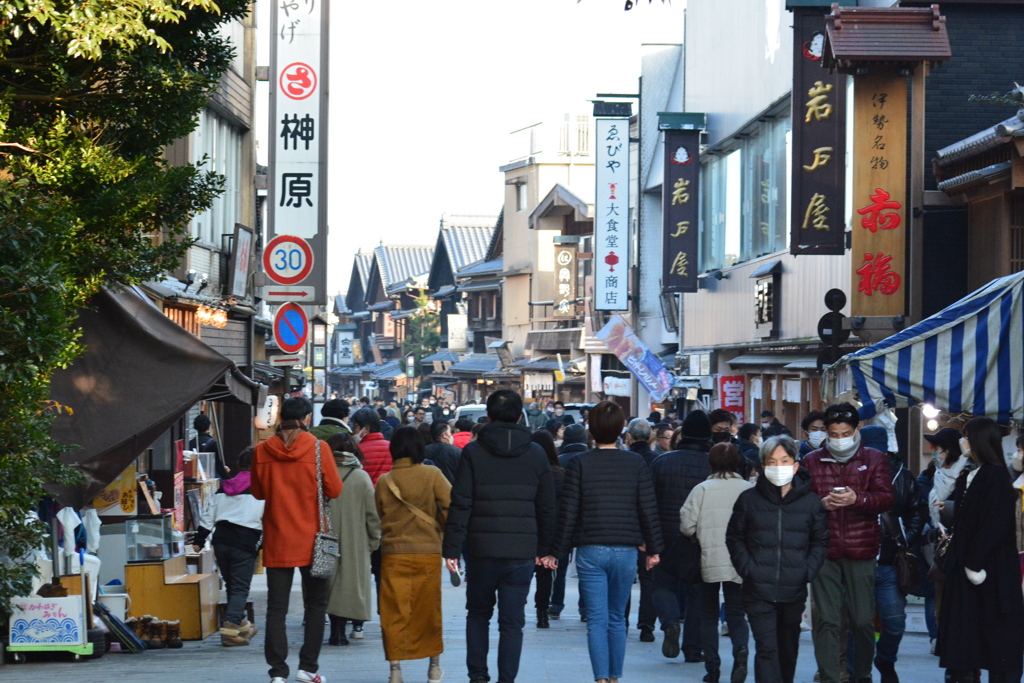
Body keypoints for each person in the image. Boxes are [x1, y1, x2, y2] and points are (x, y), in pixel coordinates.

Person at [543, 400, 663, 683]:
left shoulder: (581, 463)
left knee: (596, 620)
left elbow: (569, 511)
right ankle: (615, 677)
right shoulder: (635, 463)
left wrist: (555, 552)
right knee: (616, 618)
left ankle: (600, 678)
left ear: (591, 430)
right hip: (626, 550)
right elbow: (648, 508)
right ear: (623, 430)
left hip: (590, 549)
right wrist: (654, 549)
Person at [442, 390, 556, 683]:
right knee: (512, 622)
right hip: (521, 551)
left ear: (488, 417)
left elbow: (461, 502)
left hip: (481, 550)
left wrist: (451, 549)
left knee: (478, 615)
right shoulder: (536, 453)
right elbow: (546, 506)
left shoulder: (474, 452)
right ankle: (507, 679)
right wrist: (545, 548)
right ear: (521, 417)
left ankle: (478, 676)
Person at [251, 397, 343, 683]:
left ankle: (278, 672)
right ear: (306, 419)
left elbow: (258, 492)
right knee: (315, 604)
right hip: (313, 538)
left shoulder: (262, 450)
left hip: (278, 537)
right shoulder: (318, 448)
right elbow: (335, 489)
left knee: (276, 607)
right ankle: (308, 668)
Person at [802, 403, 893, 683]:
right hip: (824, 550)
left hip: (862, 549)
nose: (839, 438)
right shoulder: (812, 461)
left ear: (856, 431)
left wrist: (859, 499)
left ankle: (862, 673)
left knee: (863, 620)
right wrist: (822, 505)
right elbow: (800, 504)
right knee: (827, 620)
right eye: (833, 433)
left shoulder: (875, 458)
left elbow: (886, 498)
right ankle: (830, 675)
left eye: (845, 432)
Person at [727, 435, 829, 683]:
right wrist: (747, 568)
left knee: (787, 649)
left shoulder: (811, 502)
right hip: (757, 588)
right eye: (772, 461)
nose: (779, 466)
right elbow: (734, 537)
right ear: (764, 467)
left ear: (795, 466)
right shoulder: (748, 500)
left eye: (785, 460)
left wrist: (807, 571)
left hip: (793, 589)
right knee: (767, 649)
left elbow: (820, 541)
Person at [937, 417, 1024, 682]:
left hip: (991, 571)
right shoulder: (971, 472)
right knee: (968, 643)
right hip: (971, 569)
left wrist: (973, 563)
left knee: (997, 643)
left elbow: (994, 525)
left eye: (966, 435)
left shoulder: (995, 475)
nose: (962, 441)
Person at [846, 426, 927, 683]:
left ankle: (885, 660)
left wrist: (906, 538)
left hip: (890, 563)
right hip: (857, 560)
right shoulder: (847, 472)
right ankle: (857, 672)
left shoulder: (902, 476)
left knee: (895, 622)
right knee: (857, 624)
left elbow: (917, 510)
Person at [375, 426, 452, 683]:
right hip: (427, 552)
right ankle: (433, 668)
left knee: (394, 611)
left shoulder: (385, 481)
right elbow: (451, 505)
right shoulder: (432, 474)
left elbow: (380, 516)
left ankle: (395, 671)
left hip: (393, 554)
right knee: (428, 610)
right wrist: (440, 527)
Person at [680, 443, 753, 683]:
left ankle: (712, 668)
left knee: (708, 614)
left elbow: (686, 525)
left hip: (708, 557)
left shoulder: (702, 489)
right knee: (736, 612)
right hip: (739, 559)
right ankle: (741, 648)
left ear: (710, 463)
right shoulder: (749, 489)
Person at [650, 410, 713, 663]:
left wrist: (648, 535)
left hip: (665, 534)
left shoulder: (662, 462)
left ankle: (669, 622)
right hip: (701, 536)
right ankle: (693, 648)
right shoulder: (714, 464)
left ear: (682, 434)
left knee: (662, 583)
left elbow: (649, 502)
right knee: (698, 591)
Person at [193, 446, 264, 647]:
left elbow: (208, 516)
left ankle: (242, 624)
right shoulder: (262, 488)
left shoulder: (224, 487)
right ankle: (230, 628)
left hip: (221, 541)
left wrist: (199, 540)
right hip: (245, 541)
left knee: (232, 583)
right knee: (241, 586)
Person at [324, 432, 381, 647]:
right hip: (355, 541)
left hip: (324, 538)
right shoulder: (361, 477)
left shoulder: (320, 474)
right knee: (348, 585)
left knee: (328, 583)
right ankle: (341, 631)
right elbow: (372, 515)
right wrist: (372, 542)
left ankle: (334, 629)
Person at [623, 417, 658, 641]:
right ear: (650, 437)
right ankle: (647, 626)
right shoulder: (658, 460)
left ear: (628, 437)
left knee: (623, 578)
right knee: (649, 580)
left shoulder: (624, 461)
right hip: (651, 527)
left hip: (626, 528)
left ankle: (621, 622)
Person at [529, 430, 565, 629]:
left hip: (529, 529)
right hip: (551, 530)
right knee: (545, 574)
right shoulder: (560, 474)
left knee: (524, 573)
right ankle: (542, 613)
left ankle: (518, 607)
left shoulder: (527, 472)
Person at [351, 407, 392, 486]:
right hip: (388, 495)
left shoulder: (357, 450)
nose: (353, 432)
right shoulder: (392, 447)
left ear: (366, 429)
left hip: (366, 495)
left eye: (355, 427)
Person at [190, 413, 229, 479]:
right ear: (208, 427)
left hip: (195, 477)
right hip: (210, 477)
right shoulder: (213, 443)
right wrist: (228, 478)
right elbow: (218, 465)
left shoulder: (190, 443)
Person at [426, 420, 462, 485]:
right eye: (450, 432)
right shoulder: (455, 451)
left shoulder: (425, 450)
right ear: (444, 435)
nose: (451, 435)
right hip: (450, 487)